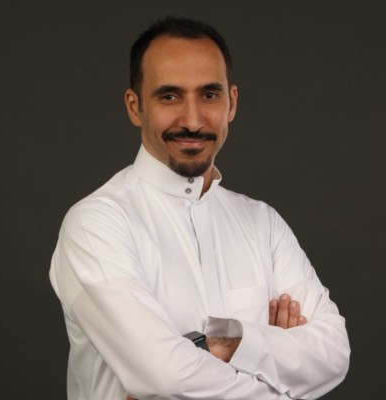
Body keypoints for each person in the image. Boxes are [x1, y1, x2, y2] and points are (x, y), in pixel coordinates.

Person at [50, 16, 350, 400]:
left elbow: (334, 353)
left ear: (231, 103)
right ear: (135, 107)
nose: (192, 121)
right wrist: (274, 354)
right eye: (169, 96)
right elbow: (167, 378)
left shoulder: (263, 224)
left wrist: (234, 341)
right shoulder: (95, 224)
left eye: (209, 95)